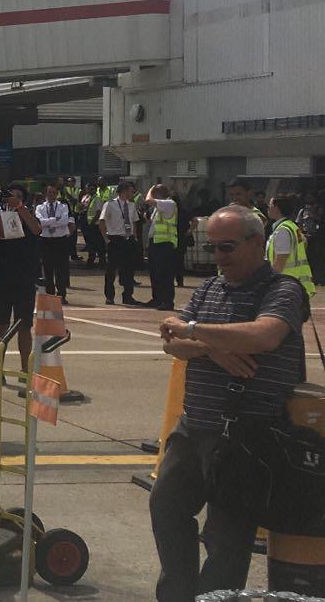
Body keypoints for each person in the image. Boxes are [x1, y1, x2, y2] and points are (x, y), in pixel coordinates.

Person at [151, 206, 310, 601]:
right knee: (167, 507)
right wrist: (212, 349)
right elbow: (173, 342)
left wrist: (192, 332)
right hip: (194, 428)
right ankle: (178, 593)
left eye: (227, 246)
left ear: (258, 244)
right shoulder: (210, 289)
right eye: (212, 247)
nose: (219, 256)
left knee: (226, 537)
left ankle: (215, 597)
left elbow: (263, 336)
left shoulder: (283, 290)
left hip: (247, 436)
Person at [0, 186, 41, 386]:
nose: (12, 200)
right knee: (0, 326)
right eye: (10, 197)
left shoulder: (29, 217)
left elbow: (36, 229)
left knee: (24, 326)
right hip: (1, 277)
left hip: (24, 278)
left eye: (18, 196)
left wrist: (20, 206)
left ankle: (25, 369)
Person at [101, 179, 142, 306]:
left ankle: (128, 295)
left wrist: (134, 236)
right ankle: (109, 296)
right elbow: (102, 221)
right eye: (130, 191)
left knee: (129, 269)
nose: (131, 194)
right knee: (111, 269)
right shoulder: (110, 204)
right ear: (122, 191)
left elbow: (134, 221)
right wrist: (106, 238)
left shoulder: (131, 205)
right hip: (115, 238)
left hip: (128, 239)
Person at [267, 194, 316, 298]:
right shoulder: (293, 227)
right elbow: (304, 243)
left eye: (270, 205)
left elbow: (280, 260)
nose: (268, 208)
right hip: (294, 283)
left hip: (284, 285)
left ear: (276, 208)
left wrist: (269, 283)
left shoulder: (282, 230)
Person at [144, 184, 181, 312]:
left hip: (165, 243)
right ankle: (157, 299)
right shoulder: (160, 207)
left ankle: (167, 301)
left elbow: (148, 200)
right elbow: (153, 225)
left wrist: (151, 189)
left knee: (165, 274)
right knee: (155, 273)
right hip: (156, 242)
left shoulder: (169, 203)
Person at [35, 183, 72, 303]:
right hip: (45, 240)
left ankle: (62, 294)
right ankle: (50, 294)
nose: (52, 195)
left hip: (60, 240)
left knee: (61, 269)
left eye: (54, 193)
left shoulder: (63, 206)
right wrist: (55, 220)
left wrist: (49, 223)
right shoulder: (40, 207)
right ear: (45, 194)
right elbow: (40, 221)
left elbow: (65, 220)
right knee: (47, 269)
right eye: (49, 192)